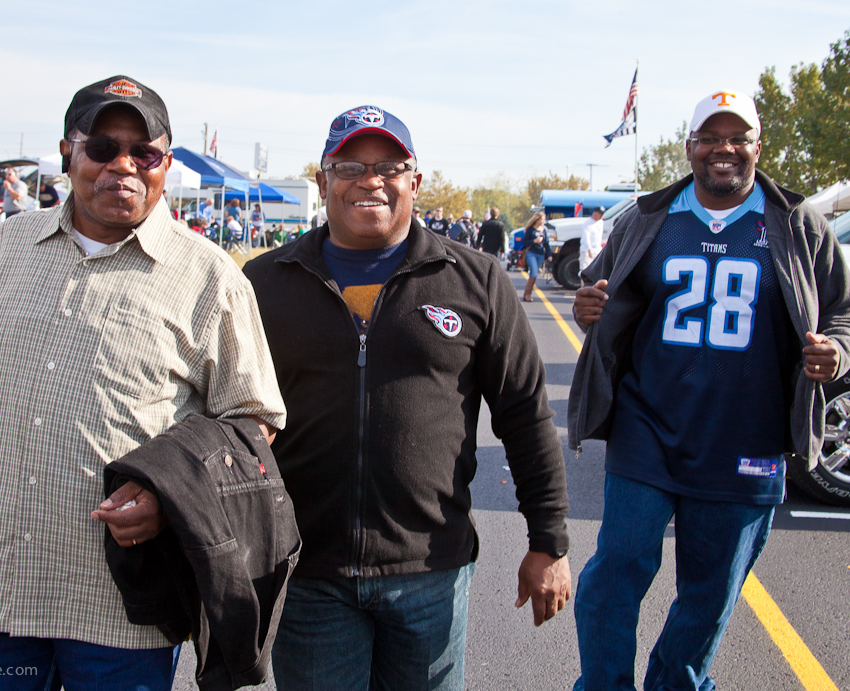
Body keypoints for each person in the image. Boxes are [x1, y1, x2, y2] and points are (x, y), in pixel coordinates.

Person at [0, 74, 285, 691]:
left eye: (144, 154)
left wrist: (171, 498)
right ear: (69, 149)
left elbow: (253, 419)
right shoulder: (3, 251)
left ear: (165, 164)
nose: (124, 167)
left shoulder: (209, 277)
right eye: (103, 147)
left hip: (123, 609)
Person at [243, 105, 571, 691]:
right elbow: (229, 418)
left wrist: (548, 541)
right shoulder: (264, 282)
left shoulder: (475, 279)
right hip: (307, 571)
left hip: (431, 571)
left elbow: (525, 415)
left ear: (414, 181)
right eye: (349, 165)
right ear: (323, 181)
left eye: (388, 165)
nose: (370, 180)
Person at [568, 90, 850, 691]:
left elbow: (847, 312)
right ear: (690, 147)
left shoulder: (794, 220)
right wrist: (585, 310)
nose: (722, 149)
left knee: (708, 596)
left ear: (758, 146)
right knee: (612, 575)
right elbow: (601, 296)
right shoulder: (649, 217)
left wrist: (837, 352)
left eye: (737, 138)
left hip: (747, 442)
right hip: (646, 431)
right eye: (709, 137)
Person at [521, 211, 552, 302]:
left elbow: (546, 243)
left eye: (543, 220)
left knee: (535, 274)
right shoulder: (531, 229)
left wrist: (549, 255)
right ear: (537, 219)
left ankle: (527, 294)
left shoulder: (544, 230)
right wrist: (534, 241)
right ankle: (527, 294)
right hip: (531, 253)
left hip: (540, 253)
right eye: (541, 220)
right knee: (534, 272)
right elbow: (524, 242)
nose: (543, 221)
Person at [578, 206, 604, 278]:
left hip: (597, 249)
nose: (602, 216)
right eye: (600, 214)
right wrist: (589, 250)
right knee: (585, 272)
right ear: (595, 213)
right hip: (587, 250)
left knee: (597, 272)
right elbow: (586, 238)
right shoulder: (587, 223)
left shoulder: (601, 222)